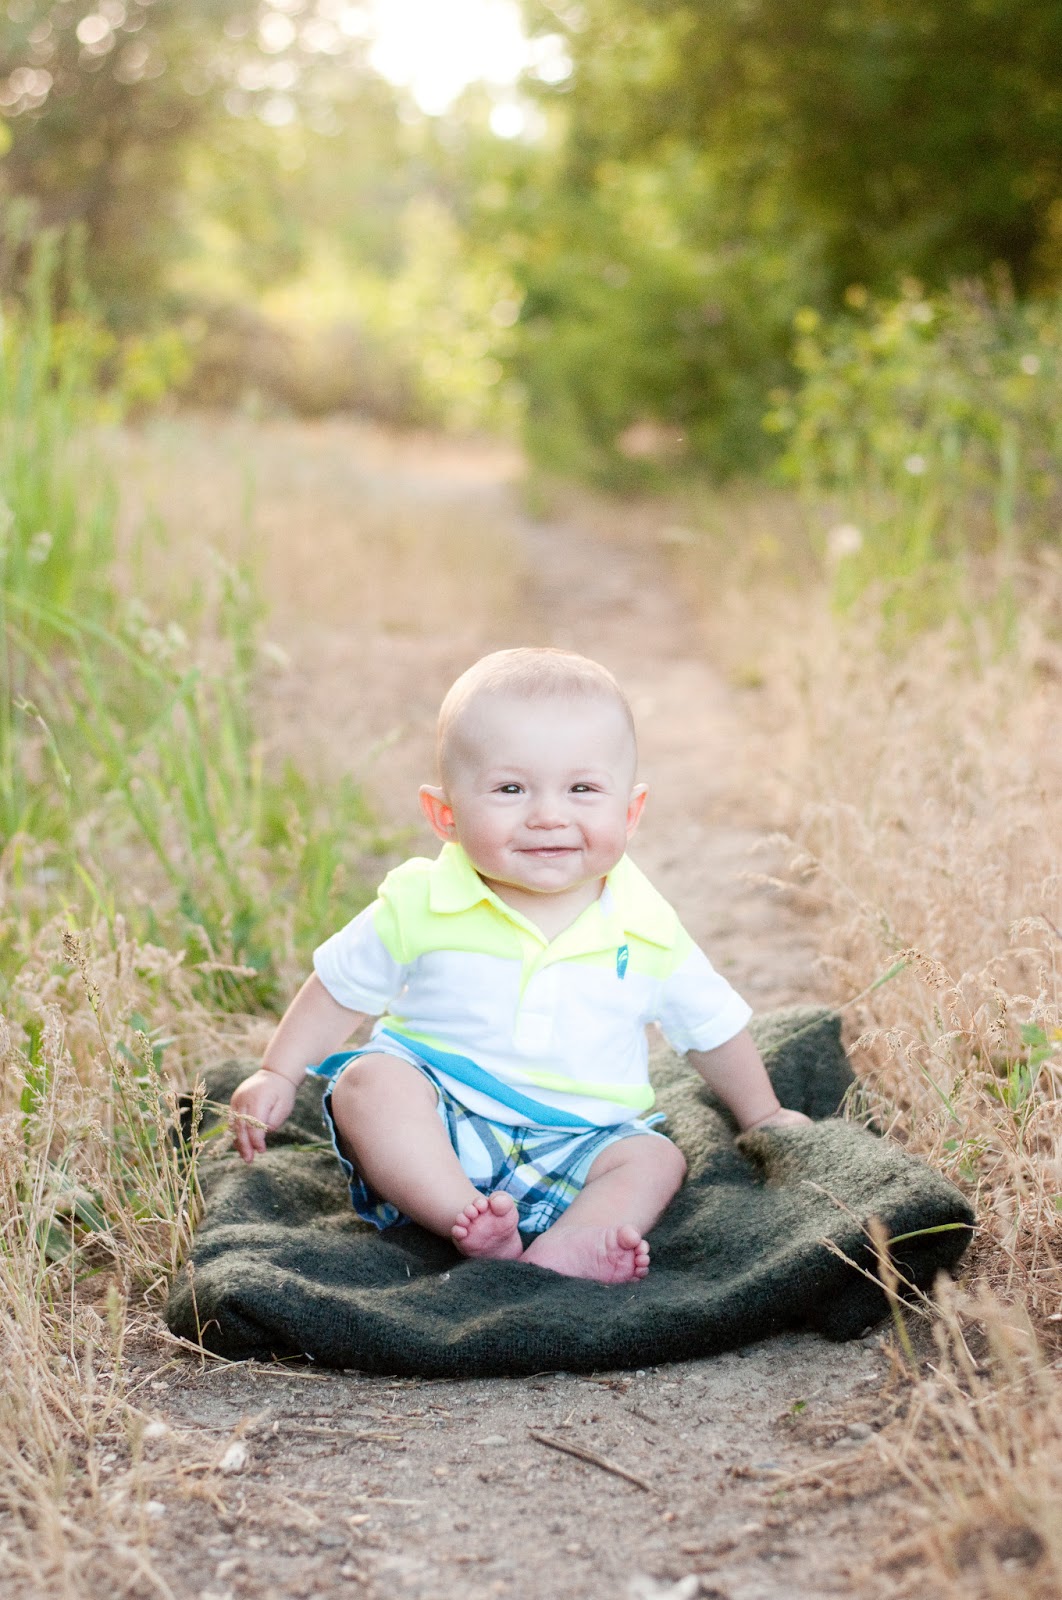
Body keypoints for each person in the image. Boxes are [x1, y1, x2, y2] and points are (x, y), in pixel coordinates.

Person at [229, 648, 810, 1286]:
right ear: (446, 816)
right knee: (368, 1084)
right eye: (511, 789)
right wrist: (278, 1071)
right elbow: (339, 989)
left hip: (580, 1142)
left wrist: (761, 1114)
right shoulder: (422, 901)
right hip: (441, 1123)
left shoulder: (646, 923)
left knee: (653, 1158)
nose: (549, 815)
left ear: (630, 812)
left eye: (582, 789)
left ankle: (569, 1245)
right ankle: (464, 1217)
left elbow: (711, 1028)